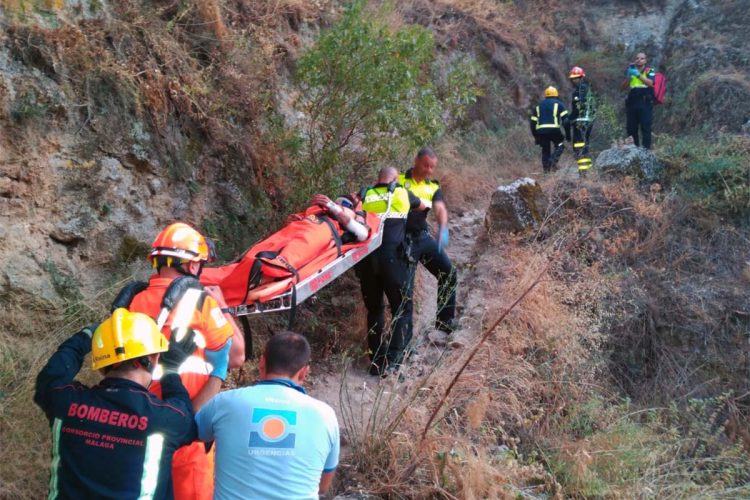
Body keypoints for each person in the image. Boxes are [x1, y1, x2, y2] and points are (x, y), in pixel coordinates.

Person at [123, 222, 245, 500]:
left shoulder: (132, 301)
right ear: (192, 267)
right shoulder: (201, 302)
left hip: (139, 423)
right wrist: (223, 307)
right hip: (187, 423)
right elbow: (236, 355)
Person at [34, 308, 198, 499]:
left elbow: (50, 378)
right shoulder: (164, 419)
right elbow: (186, 416)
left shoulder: (64, 401)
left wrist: (85, 337)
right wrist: (170, 370)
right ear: (150, 359)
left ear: (102, 362)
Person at [195, 331, 339, 500]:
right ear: (304, 373)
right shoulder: (325, 416)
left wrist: (217, 373)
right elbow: (322, 486)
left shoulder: (224, 403)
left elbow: (194, 428)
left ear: (261, 363)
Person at [357, 166, 423, 376]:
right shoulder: (401, 193)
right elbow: (421, 206)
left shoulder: (366, 196)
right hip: (392, 260)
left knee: (374, 310)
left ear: (378, 178)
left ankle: (376, 362)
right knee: (402, 309)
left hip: (367, 261)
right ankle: (394, 362)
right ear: (394, 179)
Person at [399, 148, 457, 334]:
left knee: (448, 272)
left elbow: (439, 208)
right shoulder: (399, 181)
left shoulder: (432, 186)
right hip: (401, 241)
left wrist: (443, 227)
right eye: (426, 165)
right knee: (405, 290)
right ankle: (405, 340)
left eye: (432, 167)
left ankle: (444, 322)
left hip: (422, 238)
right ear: (416, 160)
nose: (429, 170)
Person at [530, 86, 571, 172]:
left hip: (541, 132)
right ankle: (553, 161)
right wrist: (568, 135)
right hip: (554, 130)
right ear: (556, 95)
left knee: (545, 151)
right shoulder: (559, 104)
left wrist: (536, 137)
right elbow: (566, 121)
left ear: (545, 95)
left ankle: (546, 172)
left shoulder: (538, 105)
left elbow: (533, 123)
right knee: (560, 145)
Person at [621, 52, 656, 149]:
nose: (639, 60)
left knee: (645, 127)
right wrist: (629, 76)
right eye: (637, 58)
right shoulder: (631, 71)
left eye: (641, 58)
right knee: (631, 127)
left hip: (645, 101)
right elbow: (622, 88)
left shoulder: (650, 71)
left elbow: (651, 83)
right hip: (632, 101)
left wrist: (638, 75)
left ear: (645, 60)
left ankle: (646, 150)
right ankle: (634, 150)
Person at [568, 66, 596, 175]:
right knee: (585, 145)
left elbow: (577, 110)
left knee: (579, 146)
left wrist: (568, 119)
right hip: (588, 121)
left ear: (581, 78)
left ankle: (583, 172)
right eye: (573, 78)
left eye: (577, 78)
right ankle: (585, 170)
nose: (575, 80)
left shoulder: (578, 92)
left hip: (581, 122)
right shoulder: (588, 89)